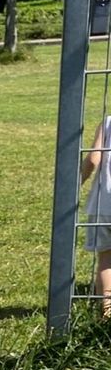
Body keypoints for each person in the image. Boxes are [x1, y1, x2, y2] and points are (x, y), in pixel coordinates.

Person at [81, 116, 111, 317]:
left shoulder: (108, 122)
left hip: (104, 204)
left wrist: (73, 184)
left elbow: (93, 158)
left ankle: (107, 313)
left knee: (106, 259)